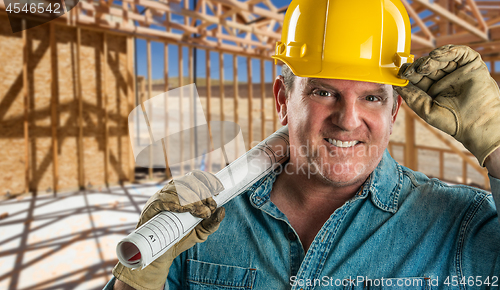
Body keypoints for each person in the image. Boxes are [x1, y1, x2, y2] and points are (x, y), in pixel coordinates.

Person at [105, 0, 500, 289]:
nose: (347, 120)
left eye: (372, 97)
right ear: (282, 99)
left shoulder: (460, 226)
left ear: (394, 111)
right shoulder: (201, 225)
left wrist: (498, 145)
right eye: (324, 92)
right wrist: (138, 279)